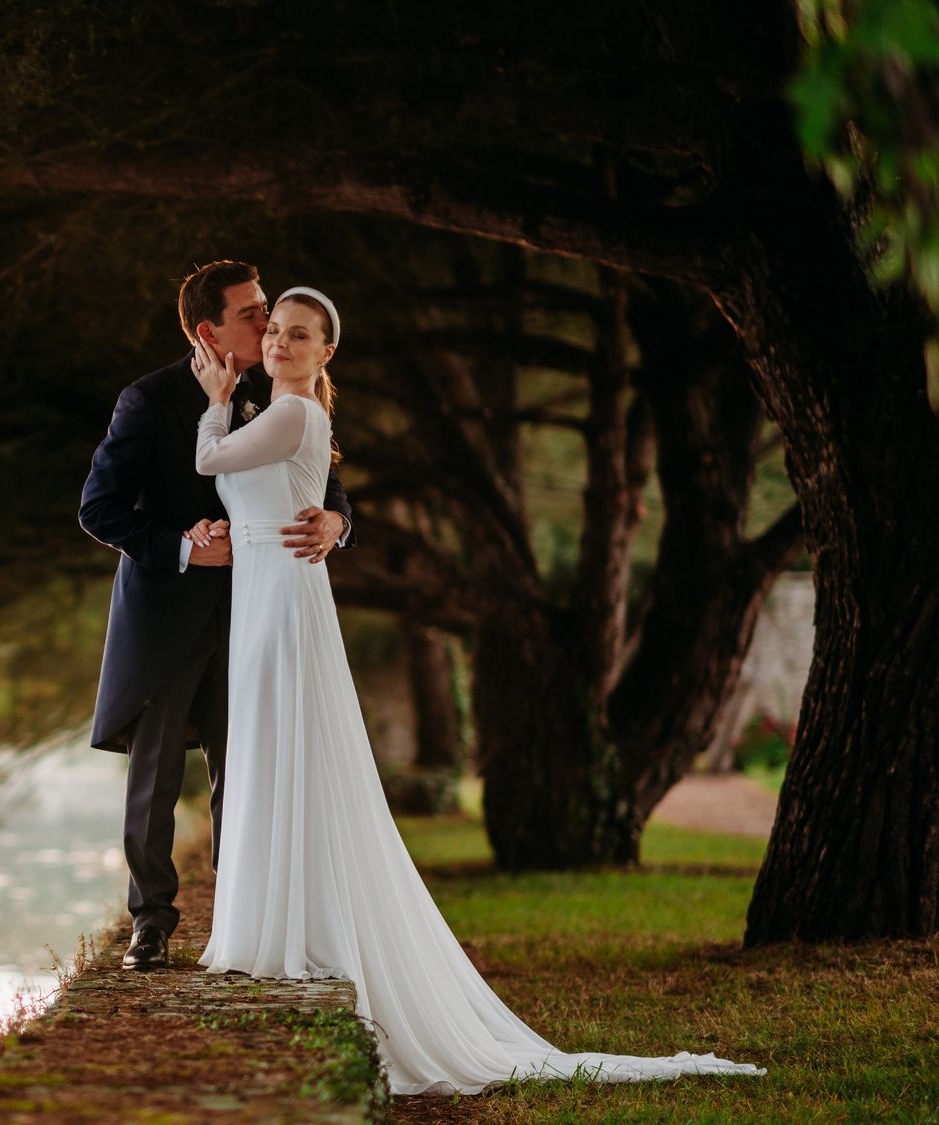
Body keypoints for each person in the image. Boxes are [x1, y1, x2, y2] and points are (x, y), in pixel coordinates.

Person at [190, 284, 768, 1096]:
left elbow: (210, 461)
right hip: (261, 590)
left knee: (284, 745)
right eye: (276, 331)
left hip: (281, 599)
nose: (281, 343)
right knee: (271, 750)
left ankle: (289, 935)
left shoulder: (289, 413)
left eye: (299, 335)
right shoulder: (277, 413)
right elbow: (252, 485)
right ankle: (270, 925)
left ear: (327, 352)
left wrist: (216, 404)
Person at [78, 260, 353, 972]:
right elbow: (98, 508)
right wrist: (180, 549)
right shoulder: (147, 400)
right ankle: (152, 920)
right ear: (209, 330)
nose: (268, 326)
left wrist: (335, 523)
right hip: (168, 615)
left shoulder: (280, 391)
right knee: (157, 774)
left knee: (249, 768)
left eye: (271, 314)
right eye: (253, 314)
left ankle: (244, 915)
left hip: (257, 610)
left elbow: (329, 483)